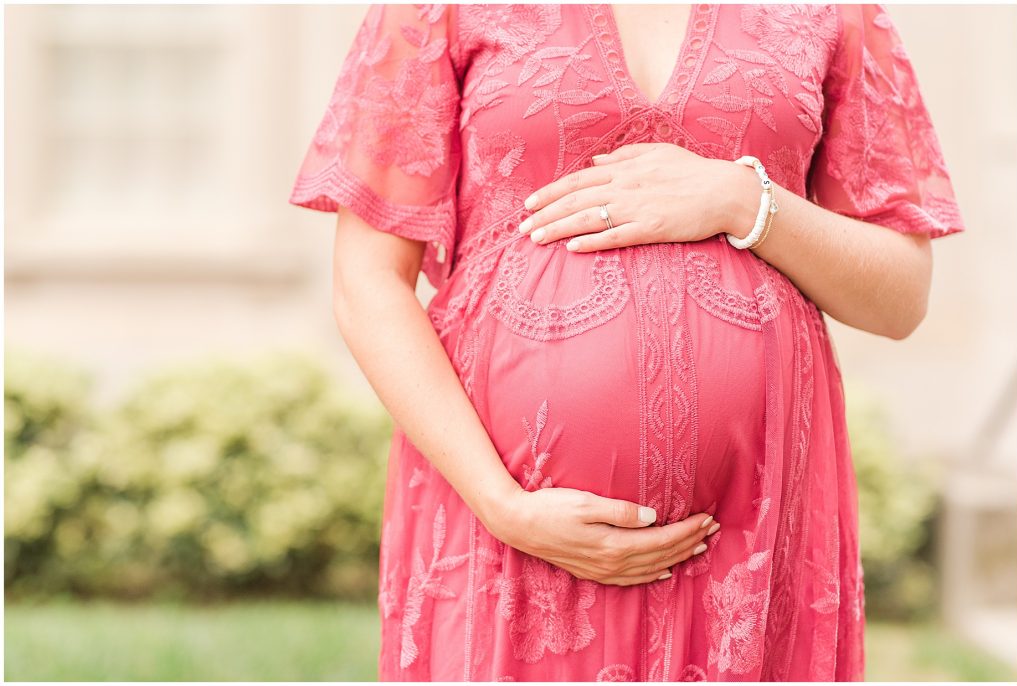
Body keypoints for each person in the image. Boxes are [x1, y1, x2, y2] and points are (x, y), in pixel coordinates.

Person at [288, 3, 965, 681]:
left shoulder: (834, 11)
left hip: (749, 541)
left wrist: (744, 200)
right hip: (509, 524)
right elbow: (368, 279)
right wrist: (503, 505)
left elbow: (900, 296)